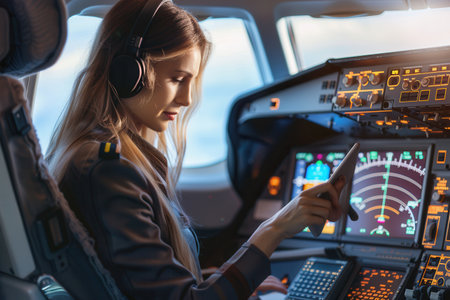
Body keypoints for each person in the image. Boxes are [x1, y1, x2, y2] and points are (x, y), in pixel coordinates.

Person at [46, 0, 345, 299]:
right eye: (177, 79)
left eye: (191, 81)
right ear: (129, 73)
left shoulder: (106, 158)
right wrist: (275, 228)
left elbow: (138, 283)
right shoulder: (108, 170)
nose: (187, 99)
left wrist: (228, 280)